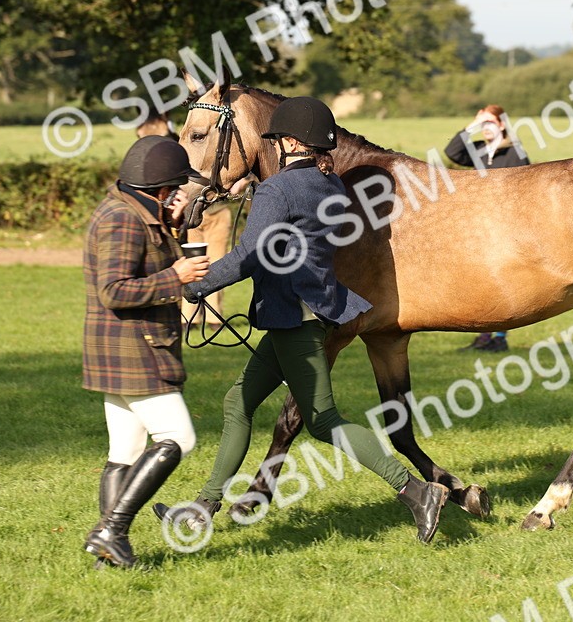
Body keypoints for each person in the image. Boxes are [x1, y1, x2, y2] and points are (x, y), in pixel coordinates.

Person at [154, 96, 450, 544]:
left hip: (293, 317)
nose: (272, 147)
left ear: (291, 141)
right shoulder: (330, 185)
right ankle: (203, 506)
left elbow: (249, 255)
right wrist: (256, 194)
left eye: (276, 140)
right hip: (303, 313)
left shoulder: (279, 190)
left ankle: (415, 491)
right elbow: (296, 223)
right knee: (238, 403)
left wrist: (193, 286)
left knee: (323, 419)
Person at [82, 136, 212, 569]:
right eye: (176, 189)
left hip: (121, 348)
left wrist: (173, 227)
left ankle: (109, 555)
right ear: (160, 188)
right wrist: (176, 277)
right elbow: (114, 290)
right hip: (135, 349)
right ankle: (111, 530)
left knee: (125, 450)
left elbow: (146, 261)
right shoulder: (123, 220)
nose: (178, 195)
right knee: (179, 438)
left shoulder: (131, 209)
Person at [444, 104, 530, 352]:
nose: (486, 128)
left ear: (502, 124)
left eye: (491, 123)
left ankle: (499, 337)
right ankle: (485, 336)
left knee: (505, 281)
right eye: (483, 125)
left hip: (506, 224)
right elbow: (452, 152)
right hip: (480, 224)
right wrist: (472, 126)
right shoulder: (479, 149)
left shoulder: (515, 152)